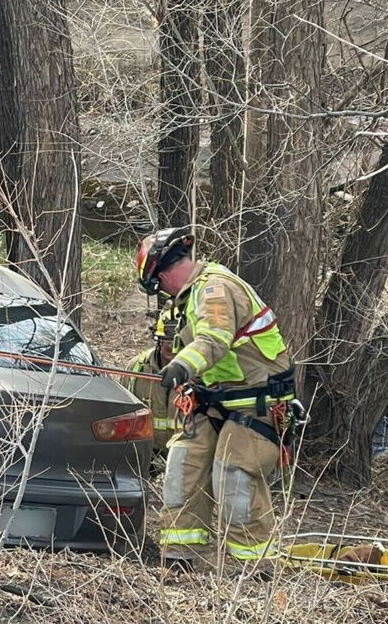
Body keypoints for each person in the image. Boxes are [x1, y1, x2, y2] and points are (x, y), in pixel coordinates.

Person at [136, 227, 295, 574]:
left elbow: (215, 338)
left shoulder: (215, 288)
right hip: (214, 399)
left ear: (162, 275)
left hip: (255, 401)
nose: (163, 294)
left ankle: (257, 569)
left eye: (159, 286)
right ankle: (178, 558)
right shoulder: (191, 296)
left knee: (235, 474)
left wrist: (181, 366)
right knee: (182, 466)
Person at [125, 304, 178, 454]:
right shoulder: (138, 367)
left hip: (184, 453)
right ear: (158, 339)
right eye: (165, 339)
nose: (171, 346)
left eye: (176, 340)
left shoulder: (197, 372)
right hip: (146, 451)